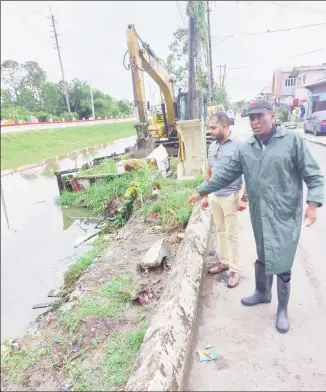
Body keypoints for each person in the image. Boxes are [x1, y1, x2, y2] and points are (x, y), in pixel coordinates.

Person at [186, 100, 324, 334]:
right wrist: (202, 190)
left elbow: (312, 173)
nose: (255, 121)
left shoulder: (292, 141)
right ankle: (262, 292)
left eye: (259, 116)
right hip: (259, 212)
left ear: (272, 116)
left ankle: (282, 309)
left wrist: (312, 203)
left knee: (282, 259)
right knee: (263, 251)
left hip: (285, 213)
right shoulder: (247, 148)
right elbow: (226, 174)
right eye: (251, 118)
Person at [203, 112, 248, 288]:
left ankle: (235, 270)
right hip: (215, 196)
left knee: (232, 235)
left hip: (231, 196)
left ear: (225, 126)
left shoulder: (239, 146)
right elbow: (209, 171)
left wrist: (244, 198)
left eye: (213, 128)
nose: (211, 131)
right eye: (210, 128)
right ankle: (224, 262)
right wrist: (206, 195)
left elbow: (248, 174)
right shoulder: (212, 147)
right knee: (221, 231)